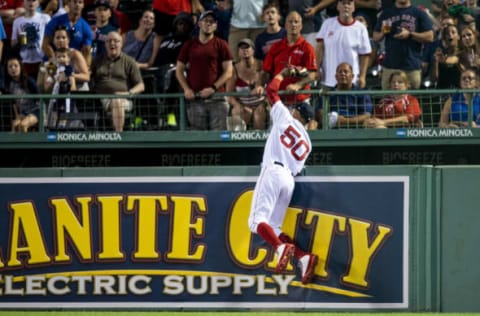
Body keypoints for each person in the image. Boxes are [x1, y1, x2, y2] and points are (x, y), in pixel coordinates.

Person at [248, 67, 317, 285]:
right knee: (274, 228)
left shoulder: (286, 118)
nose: (292, 109)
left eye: (295, 108)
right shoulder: (308, 143)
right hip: (288, 180)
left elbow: (271, 91)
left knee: (255, 221)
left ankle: (279, 247)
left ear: (298, 114)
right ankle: (303, 257)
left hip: (273, 171)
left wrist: (283, 73)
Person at [176, 10, 233, 130]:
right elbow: (179, 70)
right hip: (195, 98)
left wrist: (213, 88)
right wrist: (186, 89)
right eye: (206, 21)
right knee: (198, 138)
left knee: (218, 137)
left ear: (216, 26)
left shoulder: (221, 44)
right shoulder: (189, 45)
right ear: (199, 24)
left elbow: (229, 71)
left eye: (212, 22)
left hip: (217, 98)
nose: (208, 24)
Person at [261, 11, 318, 130]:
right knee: (279, 135)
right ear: (285, 25)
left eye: (296, 22)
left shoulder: (307, 48)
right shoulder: (276, 47)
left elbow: (312, 74)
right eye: (290, 22)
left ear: (301, 26)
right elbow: (265, 72)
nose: (293, 25)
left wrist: (297, 85)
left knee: (301, 135)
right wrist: (260, 86)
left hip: (300, 100)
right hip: (279, 101)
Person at [90, 31, 145, 132]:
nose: (112, 43)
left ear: (121, 44)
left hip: (124, 99)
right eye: (109, 41)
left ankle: (119, 135)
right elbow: (88, 76)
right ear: (105, 44)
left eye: (116, 41)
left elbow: (141, 85)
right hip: (102, 99)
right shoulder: (97, 60)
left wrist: (128, 93)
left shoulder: (129, 61)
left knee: (117, 100)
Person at [373, 0, 434, 90]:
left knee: (411, 101)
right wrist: (383, 32)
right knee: (388, 101)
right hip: (390, 66)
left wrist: (410, 34)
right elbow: (375, 37)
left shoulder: (419, 13)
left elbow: (430, 37)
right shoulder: (386, 13)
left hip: (412, 66)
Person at [316, 0, 372, 89]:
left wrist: (362, 76)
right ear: (338, 6)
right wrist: (317, 69)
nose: (346, 6)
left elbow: (364, 55)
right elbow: (320, 48)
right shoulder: (327, 24)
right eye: (343, 3)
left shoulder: (361, 28)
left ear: (353, 8)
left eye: (349, 3)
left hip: (352, 82)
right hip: (328, 80)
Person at [316, 62, 373, 128]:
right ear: (336, 76)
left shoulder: (362, 94)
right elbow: (320, 114)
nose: (343, 74)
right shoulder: (328, 93)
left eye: (346, 72)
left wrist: (344, 121)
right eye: (340, 72)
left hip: (355, 127)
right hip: (331, 127)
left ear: (352, 76)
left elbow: (366, 115)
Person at [226, 38, 267, 130]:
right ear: (238, 52)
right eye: (242, 48)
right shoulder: (234, 69)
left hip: (260, 103)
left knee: (259, 114)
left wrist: (262, 90)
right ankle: (236, 142)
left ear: (253, 50)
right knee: (237, 111)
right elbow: (229, 94)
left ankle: (259, 143)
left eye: (247, 47)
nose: (245, 50)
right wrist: (238, 105)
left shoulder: (262, 65)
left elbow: (270, 85)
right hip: (243, 104)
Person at [37, 24, 90, 92]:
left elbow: (86, 77)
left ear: (68, 40)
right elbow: (47, 86)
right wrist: (55, 78)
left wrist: (69, 75)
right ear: (53, 41)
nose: (61, 40)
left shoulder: (76, 54)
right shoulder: (52, 61)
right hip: (61, 94)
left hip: (79, 92)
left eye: (64, 37)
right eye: (58, 38)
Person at [42, 0, 93, 66]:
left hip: (72, 65)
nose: (77, 5)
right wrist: (55, 60)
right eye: (74, 2)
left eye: (80, 2)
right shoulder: (56, 21)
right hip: (52, 62)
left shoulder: (86, 27)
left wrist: (86, 69)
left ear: (83, 5)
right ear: (68, 4)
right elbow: (45, 44)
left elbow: (87, 52)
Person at [11, 0, 51, 79]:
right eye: (28, 0)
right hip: (25, 61)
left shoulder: (45, 18)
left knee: (42, 88)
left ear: (38, 3)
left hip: (42, 59)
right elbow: (13, 44)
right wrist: (20, 39)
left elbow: (53, 38)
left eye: (34, 0)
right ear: (23, 3)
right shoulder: (17, 21)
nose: (31, 3)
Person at [5, 56, 40, 132]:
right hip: (23, 112)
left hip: (36, 111)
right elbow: (14, 104)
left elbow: (39, 99)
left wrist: (44, 117)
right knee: (15, 124)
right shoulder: (9, 85)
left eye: (16, 66)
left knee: (23, 125)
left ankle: (26, 144)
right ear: (7, 70)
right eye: (10, 67)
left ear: (20, 67)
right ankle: (14, 144)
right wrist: (18, 117)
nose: (13, 68)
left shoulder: (29, 81)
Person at [45, 47, 77, 129]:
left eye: (63, 56)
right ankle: (53, 124)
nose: (61, 59)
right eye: (59, 57)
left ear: (68, 58)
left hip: (65, 92)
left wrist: (61, 77)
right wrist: (50, 78)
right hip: (56, 91)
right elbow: (51, 75)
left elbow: (65, 77)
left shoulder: (69, 68)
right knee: (55, 108)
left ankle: (63, 125)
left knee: (66, 108)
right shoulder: (55, 67)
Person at [253, 2, 286, 70]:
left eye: (273, 12)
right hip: (268, 74)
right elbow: (258, 61)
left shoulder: (287, 34)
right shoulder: (260, 38)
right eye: (267, 13)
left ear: (279, 16)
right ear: (263, 18)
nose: (270, 15)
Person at [430, 23, 462, 89]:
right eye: (447, 33)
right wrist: (435, 62)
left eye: (453, 32)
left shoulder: (462, 53)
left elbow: (454, 59)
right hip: (442, 93)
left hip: (457, 94)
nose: (450, 34)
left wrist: (443, 60)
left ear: (458, 36)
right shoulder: (440, 54)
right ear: (444, 38)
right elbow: (433, 79)